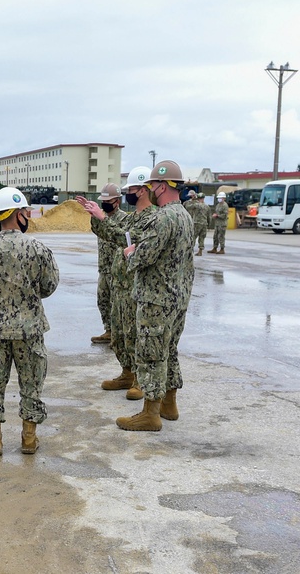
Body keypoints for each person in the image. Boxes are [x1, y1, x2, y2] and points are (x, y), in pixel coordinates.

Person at [0, 187, 59, 456]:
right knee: (31, 383)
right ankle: (29, 439)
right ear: (19, 215)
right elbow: (49, 286)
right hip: (30, 330)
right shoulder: (38, 249)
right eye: (26, 212)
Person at [117, 159, 195, 431]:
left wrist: (131, 252)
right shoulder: (184, 215)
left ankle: (150, 413)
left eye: (151, 185)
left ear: (161, 187)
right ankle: (169, 405)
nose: (149, 190)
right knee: (168, 350)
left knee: (151, 353)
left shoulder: (163, 218)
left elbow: (144, 255)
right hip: (178, 298)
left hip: (156, 299)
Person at [81, 183, 125, 345]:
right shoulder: (101, 217)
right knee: (103, 300)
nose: (105, 204)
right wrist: (93, 214)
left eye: (109, 201)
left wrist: (102, 218)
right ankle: (109, 331)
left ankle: (119, 335)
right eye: (103, 200)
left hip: (118, 270)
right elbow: (96, 230)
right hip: (104, 269)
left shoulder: (124, 219)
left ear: (117, 201)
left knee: (117, 304)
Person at [184, 191, 209, 256]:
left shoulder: (196, 205)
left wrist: (193, 200)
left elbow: (187, 207)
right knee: (202, 237)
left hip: (196, 223)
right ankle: (200, 250)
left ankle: (191, 250)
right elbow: (209, 217)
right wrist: (208, 224)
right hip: (204, 224)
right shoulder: (207, 206)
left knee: (193, 237)